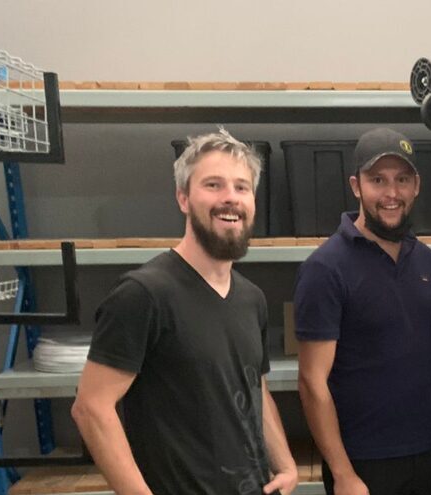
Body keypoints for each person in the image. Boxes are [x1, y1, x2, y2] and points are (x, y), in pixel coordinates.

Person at [71, 129, 298, 495]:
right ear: (183, 198)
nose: (230, 197)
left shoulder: (251, 299)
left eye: (241, 187)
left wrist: (285, 465)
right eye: (213, 185)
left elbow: (253, 385)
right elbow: (91, 408)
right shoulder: (143, 294)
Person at [295, 128, 431, 495]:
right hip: (363, 463)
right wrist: (343, 474)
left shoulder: (424, 259)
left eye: (402, 180)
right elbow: (311, 382)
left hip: (428, 454)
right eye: (378, 180)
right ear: (356, 186)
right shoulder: (325, 269)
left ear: (416, 186)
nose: (391, 193)